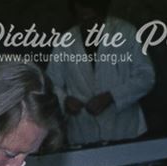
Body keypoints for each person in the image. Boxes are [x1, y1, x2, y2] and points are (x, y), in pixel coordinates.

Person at [46, 0, 155, 145]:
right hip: (83, 133)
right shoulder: (64, 42)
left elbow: (146, 76)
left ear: (102, 13)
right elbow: (51, 84)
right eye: (82, 18)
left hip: (124, 130)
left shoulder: (126, 32)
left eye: (92, 18)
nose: (87, 24)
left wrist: (111, 96)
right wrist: (65, 100)